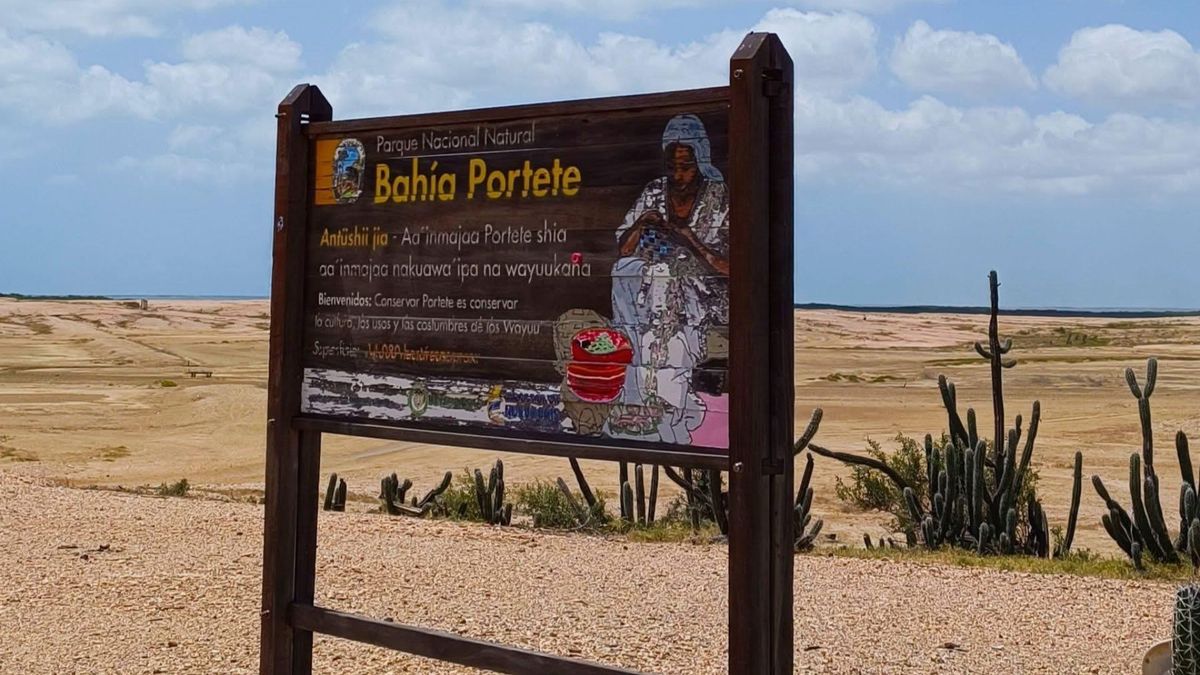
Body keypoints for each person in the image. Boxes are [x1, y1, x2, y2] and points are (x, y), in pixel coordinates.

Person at [607, 114, 729, 445]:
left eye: (686, 167)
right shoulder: (654, 191)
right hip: (651, 288)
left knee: (666, 280)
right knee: (625, 270)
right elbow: (623, 249)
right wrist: (642, 224)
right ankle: (636, 384)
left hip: (703, 294)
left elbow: (729, 266)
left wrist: (689, 240)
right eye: (672, 167)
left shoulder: (719, 197)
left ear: (701, 160)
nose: (678, 175)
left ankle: (669, 404)